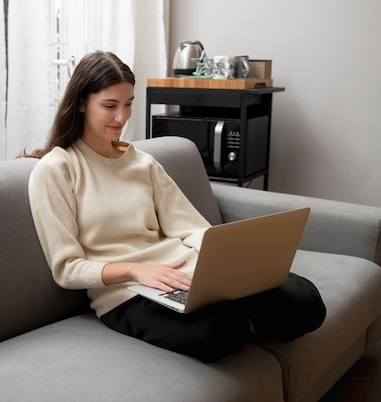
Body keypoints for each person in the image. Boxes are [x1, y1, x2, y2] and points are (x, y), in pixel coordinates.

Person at [27, 51, 326, 362]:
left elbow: (191, 228)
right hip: (128, 294)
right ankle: (246, 321)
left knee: (305, 300)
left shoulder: (142, 163)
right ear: (80, 103)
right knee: (215, 332)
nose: (122, 117)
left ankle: (242, 314)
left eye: (128, 104)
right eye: (109, 106)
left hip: (187, 273)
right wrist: (135, 270)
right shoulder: (56, 170)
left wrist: (227, 262)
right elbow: (67, 269)